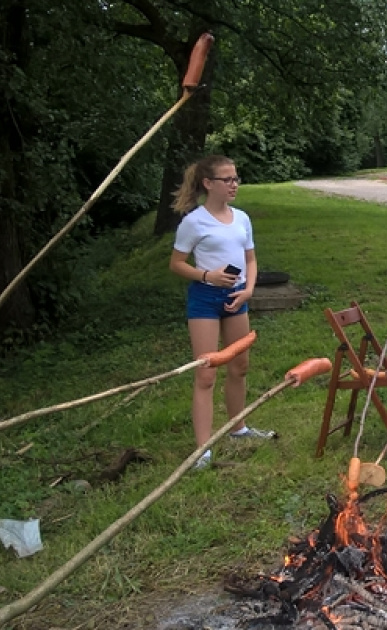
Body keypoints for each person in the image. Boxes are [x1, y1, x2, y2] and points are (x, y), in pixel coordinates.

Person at [169, 155, 273, 471]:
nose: (234, 184)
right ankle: (202, 449)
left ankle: (238, 427)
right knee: (206, 372)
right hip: (205, 299)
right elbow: (176, 264)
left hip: (237, 297)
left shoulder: (241, 218)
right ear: (208, 183)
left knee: (240, 366)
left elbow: (250, 258)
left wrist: (249, 289)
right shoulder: (194, 222)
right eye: (227, 179)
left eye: (236, 178)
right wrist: (207, 276)